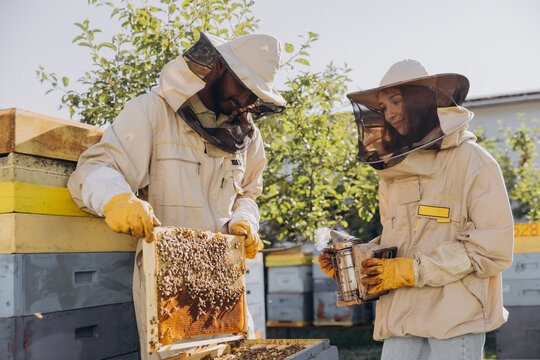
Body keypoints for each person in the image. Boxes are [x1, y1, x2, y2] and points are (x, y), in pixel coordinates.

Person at [319, 59, 514, 359]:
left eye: (396, 101)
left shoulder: (474, 162)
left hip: (455, 319)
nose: (390, 114)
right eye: (383, 107)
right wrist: (355, 264)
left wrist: (412, 270)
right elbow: (399, 245)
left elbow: (491, 250)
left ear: (423, 101)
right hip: (403, 319)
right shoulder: (393, 172)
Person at [68, 32, 286, 260]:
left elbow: (248, 195)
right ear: (220, 65)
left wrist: (245, 218)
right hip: (163, 276)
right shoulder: (151, 112)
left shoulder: (249, 139)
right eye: (244, 86)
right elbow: (96, 168)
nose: (246, 101)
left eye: (255, 94)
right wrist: (116, 198)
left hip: (223, 272)